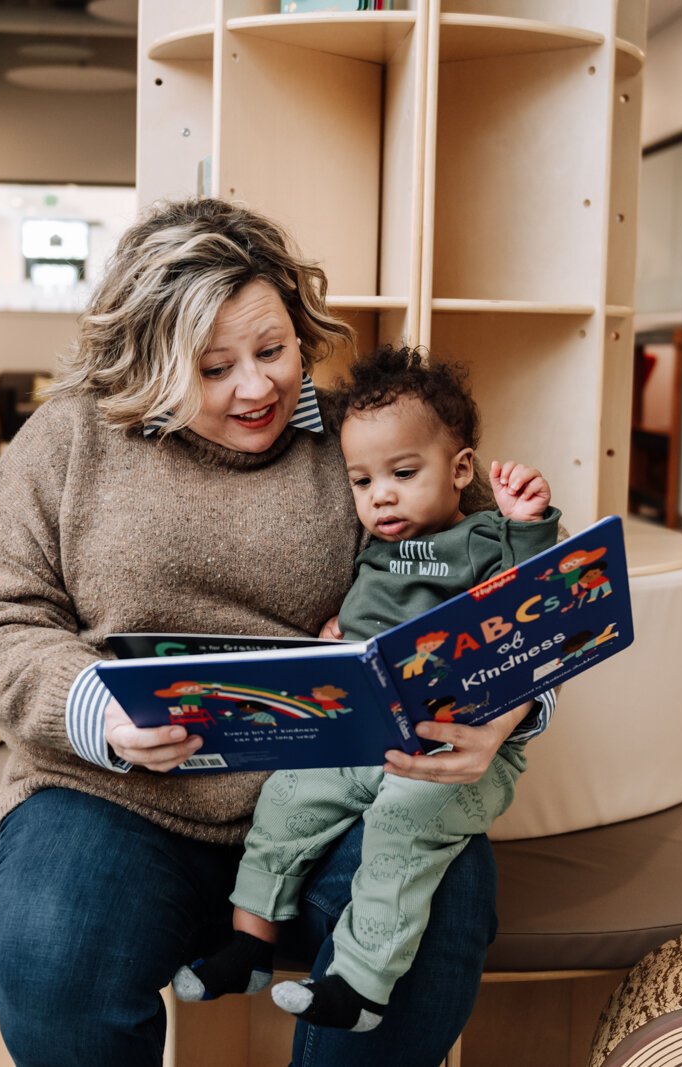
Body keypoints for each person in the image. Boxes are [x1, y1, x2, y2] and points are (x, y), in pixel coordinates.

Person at [0, 198, 557, 1067]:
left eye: (273, 351)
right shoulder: (68, 436)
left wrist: (503, 706)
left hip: (337, 790)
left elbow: (498, 594)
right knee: (55, 962)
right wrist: (101, 710)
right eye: (214, 366)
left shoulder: (365, 448)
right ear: (151, 357)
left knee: (440, 914)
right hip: (113, 795)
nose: (257, 386)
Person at [171, 347, 560, 1033]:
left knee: (400, 828)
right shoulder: (370, 543)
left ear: (459, 468)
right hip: (364, 736)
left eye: (403, 473)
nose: (380, 495)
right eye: (362, 479)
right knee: (286, 797)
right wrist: (335, 645)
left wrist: (528, 520)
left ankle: (359, 984)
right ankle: (249, 944)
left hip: (453, 755)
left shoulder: (478, 539)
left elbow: (541, 609)